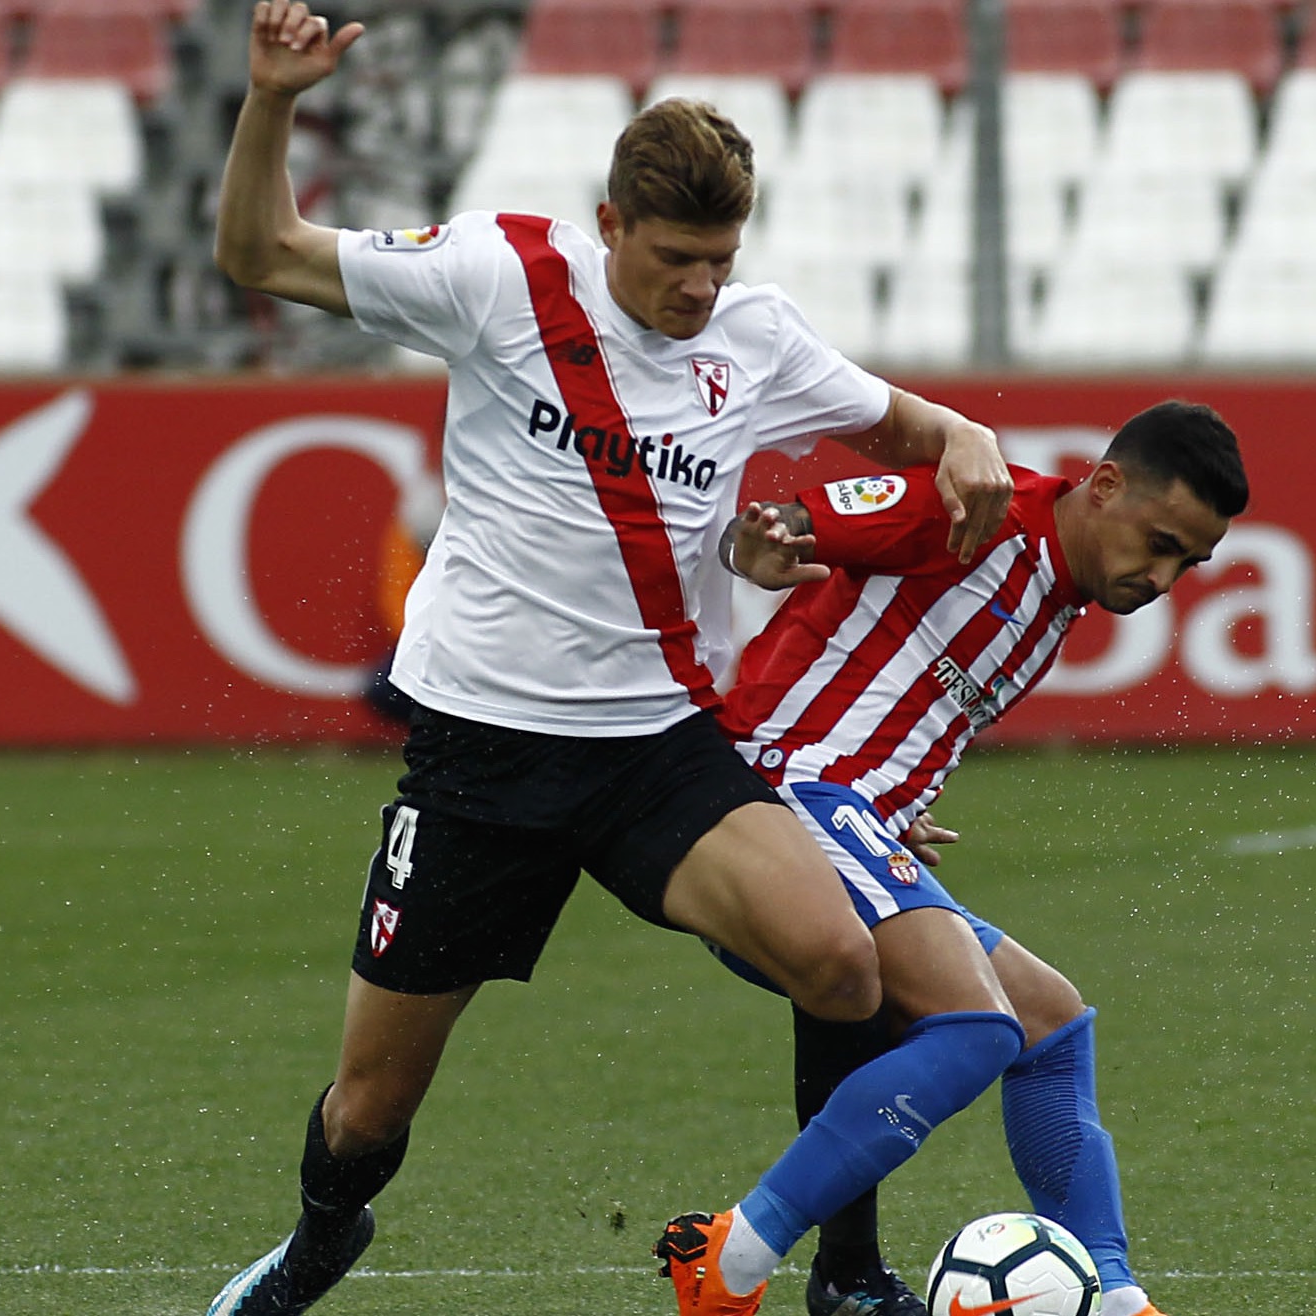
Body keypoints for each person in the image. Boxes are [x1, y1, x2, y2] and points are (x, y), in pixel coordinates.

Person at [203, 6, 1015, 1315]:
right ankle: (315, 1244)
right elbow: (257, 249)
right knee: (369, 1104)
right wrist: (270, 103)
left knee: (842, 965)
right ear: (609, 226)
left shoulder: (754, 337)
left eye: (721, 258)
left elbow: (911, 427)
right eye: (678, 258)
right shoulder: (496, 276)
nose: (699, 286)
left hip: (654, 748)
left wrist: (964, 435)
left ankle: (846, 1276)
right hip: (479, 753)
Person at [653, 402, 1247, 1316]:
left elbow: (894, 683)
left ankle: (1115, 1295)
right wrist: (758, 549)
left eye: (1189, 562)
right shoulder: (977, 507)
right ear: (1105, 485)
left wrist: (892, 803)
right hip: (782, 792)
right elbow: (784, 529)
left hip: (851, 813)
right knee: (978, 1027)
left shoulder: (1057, 589)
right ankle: (734, 1254)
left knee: (1051, 1023)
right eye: (1159, 541)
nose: (1163, 577)